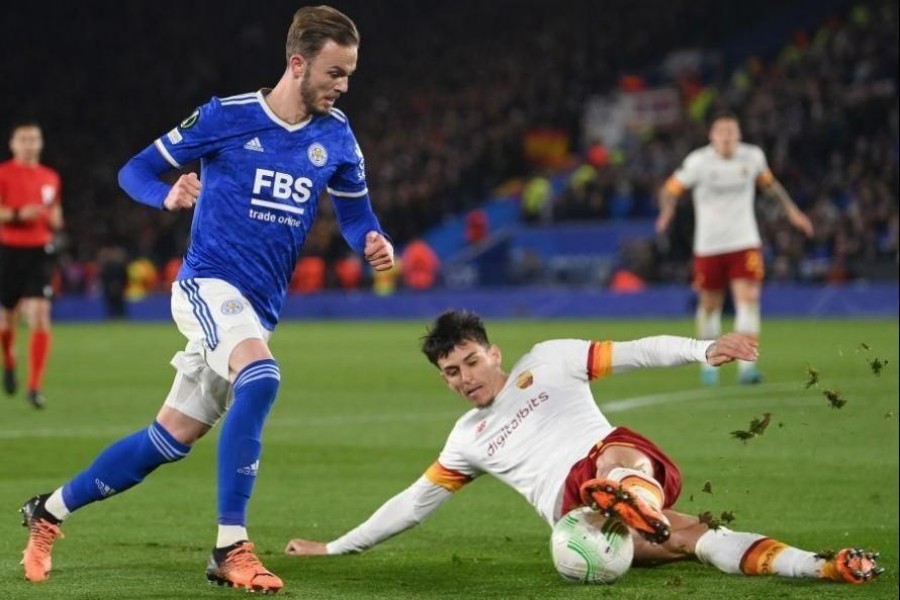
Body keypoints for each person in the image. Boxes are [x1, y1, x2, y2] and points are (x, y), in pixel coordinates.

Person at [18, 5, 393, 594]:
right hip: (207, 285)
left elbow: (355, 213)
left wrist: (371, 239)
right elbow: (134, 171)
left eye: (348, 74)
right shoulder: (227, 117)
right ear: (298, 64)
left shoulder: (336, 136)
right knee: (262, 377)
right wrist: (166, 195)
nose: (344, 86)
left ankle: (48, 512)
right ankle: (230, 546)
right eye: (335, 73)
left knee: (167, 440)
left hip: (258, 309)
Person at [284, 310, 881, 586]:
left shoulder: (547, 360)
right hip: (580, 523)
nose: (465, 377)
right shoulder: (466, 440)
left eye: (470, 361)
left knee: (615, 463)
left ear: (493, 353)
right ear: (443, 378)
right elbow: (412, 504)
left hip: (610, 458)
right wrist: (333, 547)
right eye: (450, 371)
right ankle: (822, 566)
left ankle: (627, 497)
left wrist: (704, 350)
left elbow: (637, 350)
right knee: (697, 538)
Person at [655, 111, 814, 386]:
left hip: (744, 241)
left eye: (732, 133)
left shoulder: (752, 157)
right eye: (722, 133)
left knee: (748, 301)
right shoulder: (698, 162)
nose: (727, 138)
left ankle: (746, 367)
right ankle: (709, 365)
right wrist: (667, 211)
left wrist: (793, 212)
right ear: (712, 136)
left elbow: (771, 186)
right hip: (708, 245)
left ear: (739, 135)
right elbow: (669, 189)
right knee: (709, 305)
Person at [0, 121, 63, 409]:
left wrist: (54, 220)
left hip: (39, 251)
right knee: (6, 319)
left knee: (40, 313)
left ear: (41, 143)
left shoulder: (50, 177)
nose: (29, 144)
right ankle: (9, 360)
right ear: (13, 144)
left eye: (34, 139)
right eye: (23, 139)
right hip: (9, 251)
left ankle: (34, 386)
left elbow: (57, 215)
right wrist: (16, 214)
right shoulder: (3, 174)